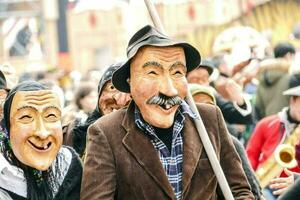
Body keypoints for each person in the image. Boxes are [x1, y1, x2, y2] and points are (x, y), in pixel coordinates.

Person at [81, 25, 254, 199]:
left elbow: (239, 191)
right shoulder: (105, 132)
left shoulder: (209, 119)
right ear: (130, 83)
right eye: (152, 72)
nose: (169, 90)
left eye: (177, 72)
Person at [0, 81, 82, 200]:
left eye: (51, 116)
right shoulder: (4, 175)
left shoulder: (68, 162)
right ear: (8, 127)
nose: (42, 133)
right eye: (26, 117)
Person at [189, 83, 263, 200]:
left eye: (209, 106)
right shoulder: (178, 143)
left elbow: (247, 187)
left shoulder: (230, 142)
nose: (204, 111)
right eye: (197, 106)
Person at [246, 74, 300, 199]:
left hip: (295, 187)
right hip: (265, 186)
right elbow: (250, 156)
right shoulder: (266, 123)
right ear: (293, 100)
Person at [63, 63, 131, 157]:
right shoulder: (75, 136)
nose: (120, 100)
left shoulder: (149, 140)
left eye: (129, 90)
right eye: (112, 87)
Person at [255, 42, 296, 120]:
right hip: (287, 125)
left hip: (268, 124)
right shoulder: (291, 78)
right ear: (288, 55)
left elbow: (258, 107)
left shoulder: (262, 77)